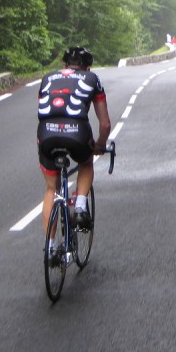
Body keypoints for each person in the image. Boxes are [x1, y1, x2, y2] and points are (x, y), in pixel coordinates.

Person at [36, 46, 111, 253]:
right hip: (77, 133)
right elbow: (105, 124)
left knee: (51, 189)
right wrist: (99, 145)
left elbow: (44, 109)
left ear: (64, 65)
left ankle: (50, 248)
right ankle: (79, 205)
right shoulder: (92, 79)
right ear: (88, 68)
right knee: (86, 162)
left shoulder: (47, 78)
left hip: (47, 134)